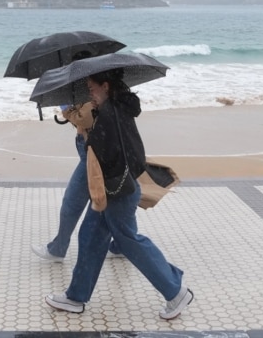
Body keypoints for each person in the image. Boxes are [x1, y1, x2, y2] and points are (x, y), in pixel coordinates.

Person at [44, 69, 194, 320]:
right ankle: (76, 297)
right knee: (90, 236)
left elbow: (112, 156)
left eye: (91, 88)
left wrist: (89, 137)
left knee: (128, 240)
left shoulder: (110, 115)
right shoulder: (116, 108)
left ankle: (175, 291)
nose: (89, 93)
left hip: (118, 193)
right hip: (118, 189)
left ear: (105, 86)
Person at [30, 99, 123, 261]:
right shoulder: (84, 87)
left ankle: (58, 249)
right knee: (112, 200)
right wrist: (72, 112)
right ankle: (121, 246)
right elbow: (82, 117)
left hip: (93, 150)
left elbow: (84, 119)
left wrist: (70, 112)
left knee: (72, 202)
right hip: (91, 146)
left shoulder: (90, 87)